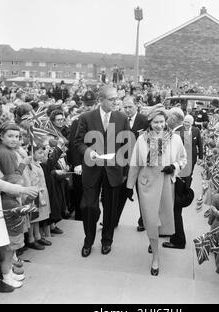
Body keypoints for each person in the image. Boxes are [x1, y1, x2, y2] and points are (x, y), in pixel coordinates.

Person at [126, 106, 187, 275]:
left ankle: (153, 241)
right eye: (156, 122)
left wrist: (174, 166)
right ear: (150, 123)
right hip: (146, 185)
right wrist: (129, 187)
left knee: (163, 221)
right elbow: (135, 163)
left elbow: (183, 159)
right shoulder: (142, 140)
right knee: (151, 221)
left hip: (167, 184)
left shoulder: (175, 139)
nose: (159, 125)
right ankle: (156, 257)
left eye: (162, 122)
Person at [75, 85, 130, 258]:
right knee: (89, 207)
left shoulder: (121, 118)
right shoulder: (86, 117)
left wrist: (125, 172)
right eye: (112, 99)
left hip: (113, 171)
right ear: (101, 100)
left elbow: (127, 145)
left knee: (111, 208)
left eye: (117, 99)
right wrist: (89, 152)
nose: (116, 102)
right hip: (92, 170)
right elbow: (78, 142)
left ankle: (107, 240)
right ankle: (88, 240)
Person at [0, 112, 38, 292]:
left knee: (5, 242)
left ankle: (4, 273)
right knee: (9, 243)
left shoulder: (1, 149)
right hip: (7, 200)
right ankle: (4, 275)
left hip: (7, 198)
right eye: (10, 136)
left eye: (17, 136)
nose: (15, 139)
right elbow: (11, 179)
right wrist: (23, 165)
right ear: (1, 136)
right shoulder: (5, 152)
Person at [120, 95, 148, 232]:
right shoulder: (119, 119)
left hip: (140, 165)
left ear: (136, 106)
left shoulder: (144, 120)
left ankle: (143, 221)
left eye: (130, 106)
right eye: (125, 107)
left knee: (142, 194)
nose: (127, 110)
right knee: (119, 194)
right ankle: (112, 220)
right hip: (123, 164)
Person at [162, 107, 189, 249]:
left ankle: (178, 239)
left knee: (175, 211)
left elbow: (186, 158)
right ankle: (171, 233)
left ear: (172, 118)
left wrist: (174, 169)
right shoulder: (181, 132)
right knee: (173, 210)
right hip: (177, 176)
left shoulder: (178, 134)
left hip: (177, 178)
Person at [181, 114, 203, 187]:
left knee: (189, 175)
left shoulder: (196, 130)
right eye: (185, 122)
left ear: (192, 123)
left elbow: (200, 145)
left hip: (192, 157)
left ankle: (187, 189)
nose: (186, 124)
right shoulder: (179, 130)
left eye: (188, 122)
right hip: (181, 157)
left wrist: (200, 157)